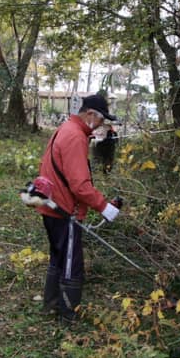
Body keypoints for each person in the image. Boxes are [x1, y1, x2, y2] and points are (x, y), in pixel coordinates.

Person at [36, 93, 121, 323]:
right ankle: (68, 315)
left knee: (58, 258)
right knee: (72, 265)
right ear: (91, 114)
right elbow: (80, 186)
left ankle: (51, 305)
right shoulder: (75, 136)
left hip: (52, 207)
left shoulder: (65, 129)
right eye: (102, 119)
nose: (102, 125)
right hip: (65, 213)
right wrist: (105, 207)